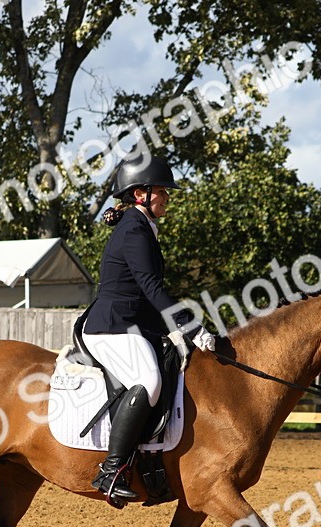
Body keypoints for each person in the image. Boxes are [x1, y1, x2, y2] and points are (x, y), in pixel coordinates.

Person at [82, 150, 217, 504]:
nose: (168, 198)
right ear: (141, 193)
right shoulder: (133, 229)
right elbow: (151, 288)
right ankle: (111, 471)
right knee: (150, 381)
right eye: (163, 191)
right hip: (111, 326)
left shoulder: (141, 226)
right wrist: (190, 326)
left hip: (133, 324)